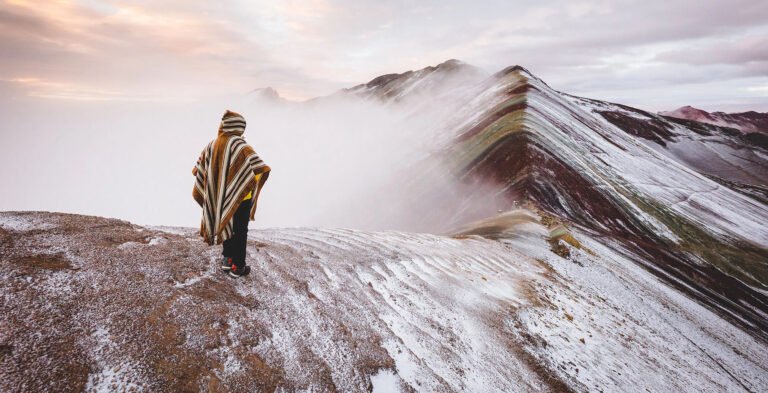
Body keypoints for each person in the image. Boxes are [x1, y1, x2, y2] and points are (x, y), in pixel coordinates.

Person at [192, 110, 270, 278]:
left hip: (221, 196)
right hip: (242, 197)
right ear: (239, 127)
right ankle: (238, 266)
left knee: (225, 221)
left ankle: (227, 260)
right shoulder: (242, 146)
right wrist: (244, 183)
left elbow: (198, 169)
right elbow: (259, 168)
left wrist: (218, 183)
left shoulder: (212, 144)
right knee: (240, 230)